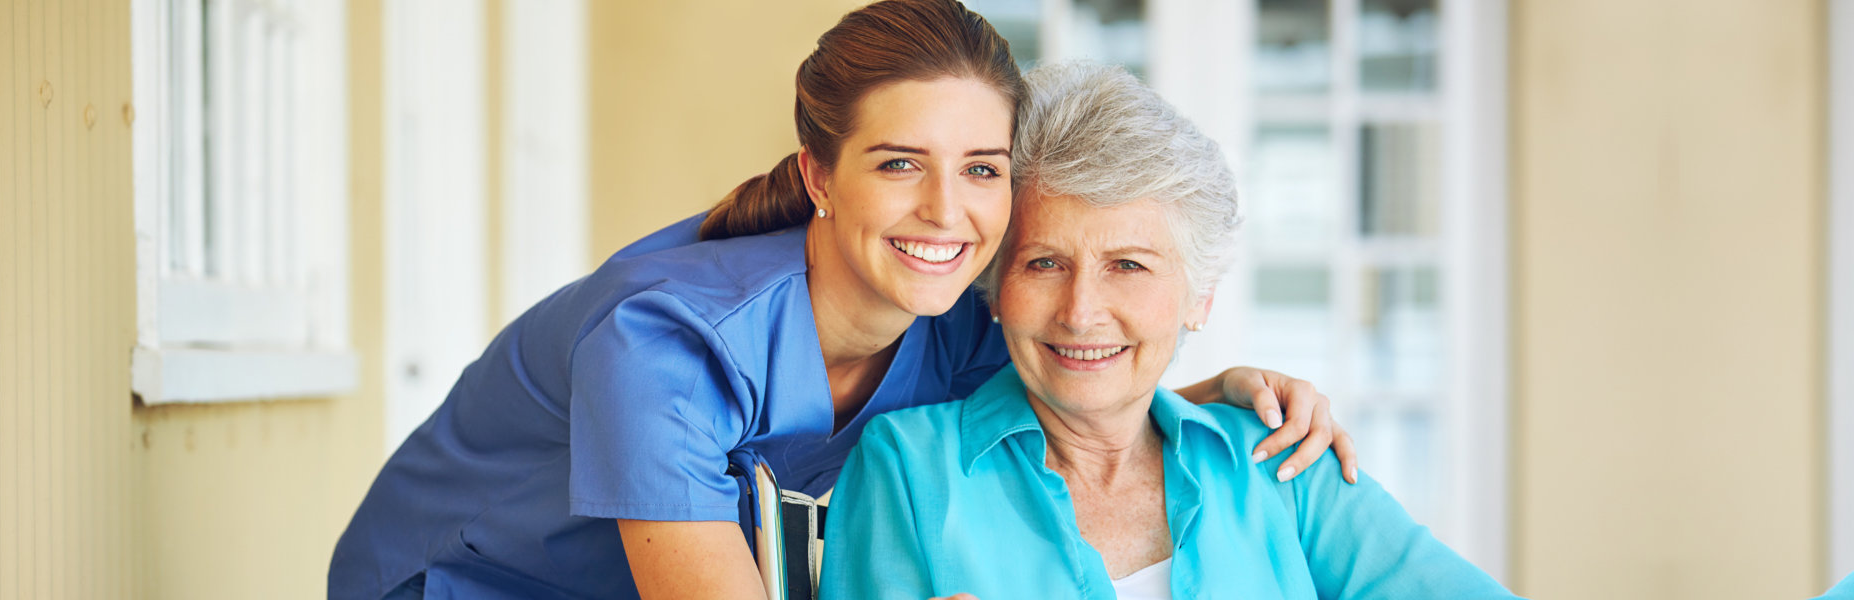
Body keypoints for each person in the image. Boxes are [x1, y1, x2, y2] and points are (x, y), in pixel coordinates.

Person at [328, 2, 1356, 598]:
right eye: (901, 164)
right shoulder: (665, 342)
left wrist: (1221, 386)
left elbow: (1086, 370)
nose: (948, 212)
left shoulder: (957, 326)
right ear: (820, 176)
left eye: (984, 169)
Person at [821, 62, 1517, 600]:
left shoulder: (1282, 461)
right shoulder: (908, 468)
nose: (1081, 310)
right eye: (1044, 263)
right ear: (996, 288)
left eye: (1127, 265)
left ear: (1199, 296)